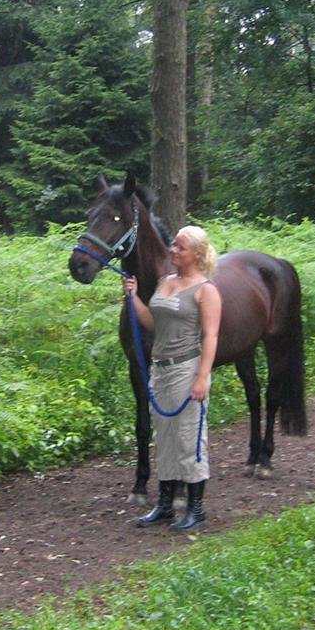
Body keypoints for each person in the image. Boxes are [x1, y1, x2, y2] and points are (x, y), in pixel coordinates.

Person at [124, 225, 222, 531]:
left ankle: (196, 509)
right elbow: (152, 322)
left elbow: (211, 336)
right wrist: (133, 297)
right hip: (161, 369)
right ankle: (165, 506)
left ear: (196, 254)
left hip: (186, 369)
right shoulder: (166, 282)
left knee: (189, 437)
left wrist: (202, 377)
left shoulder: (206, 291)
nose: (172, 251)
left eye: (179, 247)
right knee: (164, 436)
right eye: (173, 246)